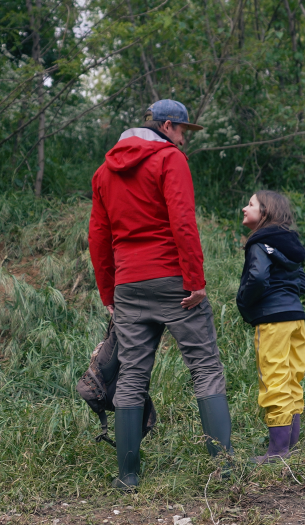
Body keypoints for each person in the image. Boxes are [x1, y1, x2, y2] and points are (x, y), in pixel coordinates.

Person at [89, 99, 233, 491]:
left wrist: (109, 291)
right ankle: (225, 470)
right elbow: (183, 220)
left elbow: (98, 238)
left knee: (132, 375)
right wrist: (195, 280)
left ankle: (128, 477)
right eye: (184, 130)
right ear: (167, 126)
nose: (184, 139)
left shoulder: (104, 173)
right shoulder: (170, 160)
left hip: (129, 285)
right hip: (173, 278)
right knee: (204, 367)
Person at [236, 190, 305, 463]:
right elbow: (301, 281)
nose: (245, 208)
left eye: (251, 204)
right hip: (295, 317)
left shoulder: (260, 242)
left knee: (274, 378)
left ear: (264, 212)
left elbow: (257, 278)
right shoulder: (289, 244)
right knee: (291, 377)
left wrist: (244, 302)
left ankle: (277, 452)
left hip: (273, 319)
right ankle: (289, 446)